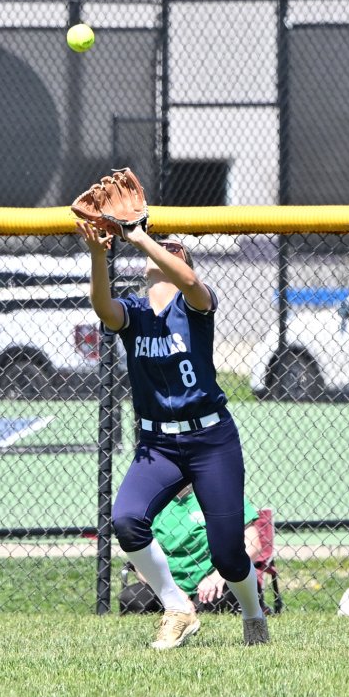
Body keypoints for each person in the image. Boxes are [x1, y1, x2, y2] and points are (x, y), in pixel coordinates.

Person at [76, 218, 269, 649]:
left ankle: (254, 616)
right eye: (157, 245)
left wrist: (141, 237)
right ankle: (177, 607)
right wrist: (97, 253)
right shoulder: (136, 312)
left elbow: (192, 280)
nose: (162, 248)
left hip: (210, 440)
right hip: (158, 445)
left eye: (172, 246)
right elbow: (103, 307)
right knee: (126, 520)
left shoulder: (193, 306)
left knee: (227, 553)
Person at [119, 485, 266, 615]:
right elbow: (141, 563)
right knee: (131, 598)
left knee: (219, 600)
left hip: (214, 581)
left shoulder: (224, 493)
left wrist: (218, 577)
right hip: (166, 585)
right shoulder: (151, 502)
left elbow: (253, 544)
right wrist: (172, 591)